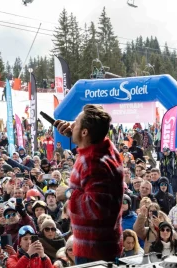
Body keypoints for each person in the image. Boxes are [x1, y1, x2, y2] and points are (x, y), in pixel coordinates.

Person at [55, 104, 124, 264]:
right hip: (103, 245)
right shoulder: (107, 148)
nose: (72, 125)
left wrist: (68, 193)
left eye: (76, 123)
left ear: (85, 132)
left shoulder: (93, 162)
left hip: (93, 252)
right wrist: (77, 130)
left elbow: (97, 208)